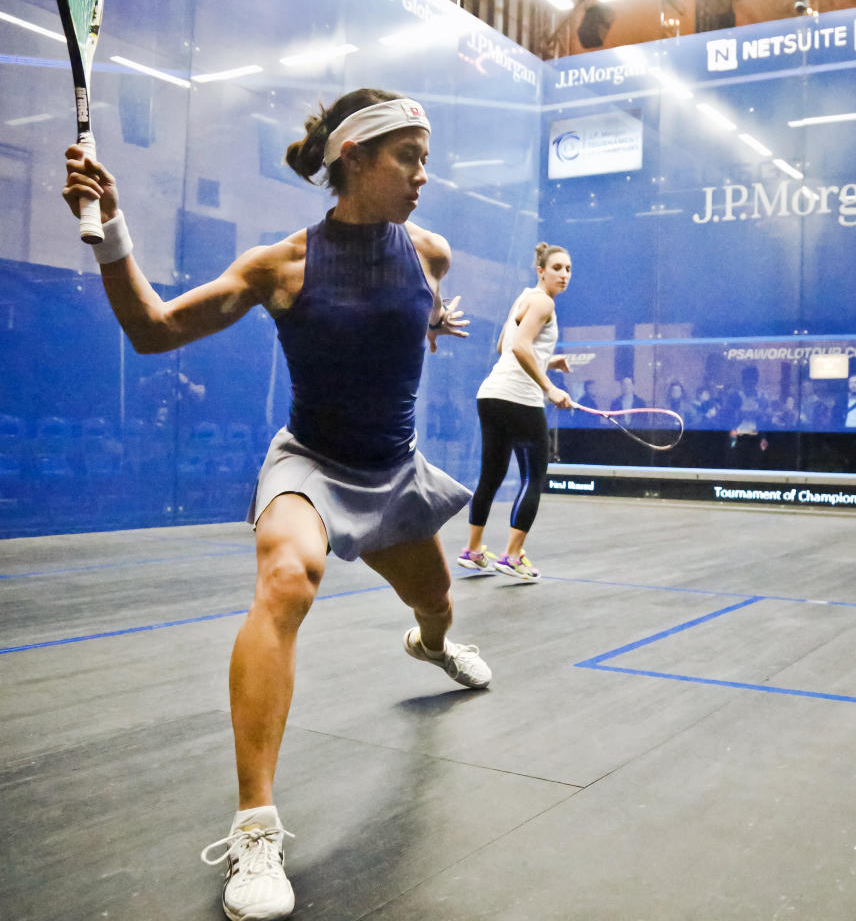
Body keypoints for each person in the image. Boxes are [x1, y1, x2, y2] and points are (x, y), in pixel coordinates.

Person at [62, 88, 491, 921]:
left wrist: (433, 320)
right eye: (408, 157)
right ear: (354, 161)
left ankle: (430, 645)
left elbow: (403, 310)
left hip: (395, 472)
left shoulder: (429, 253)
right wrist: (112, 227)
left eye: (425, 159)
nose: (422, 176)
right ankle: (256, 827)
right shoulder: (281, 265)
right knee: (287, 581)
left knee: (437, 604)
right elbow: (153, 330)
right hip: (312, 467)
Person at [457, 243, 573, 582]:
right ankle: (511, 556)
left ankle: (473, 550)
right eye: (557, 268)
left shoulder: (524, 298)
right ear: (541, 271)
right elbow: (520, 347)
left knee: (491, 476)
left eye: (567, 269)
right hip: (519, 399)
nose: (563, 274)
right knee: (532, 477)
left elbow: (504, 347)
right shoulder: (543, 302)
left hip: (491, 395)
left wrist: (550, 360)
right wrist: (549, 387)